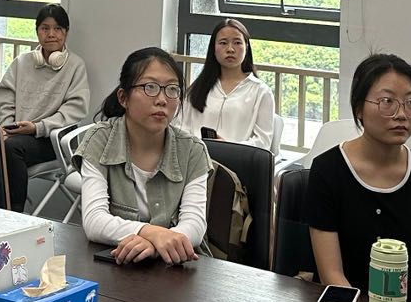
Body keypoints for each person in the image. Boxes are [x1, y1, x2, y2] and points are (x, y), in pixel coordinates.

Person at [306, 53, 411, 302]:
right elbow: (332, 274)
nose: (401, 114)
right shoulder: (327, 171)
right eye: (387, 102)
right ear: (359, 108)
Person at [77, 47, 210, 263]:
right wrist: (151, 233)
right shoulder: (100, 140)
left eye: (172, 89)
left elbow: (195, 225)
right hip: (117, 263)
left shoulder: (193, 150)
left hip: (178, 267)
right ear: (123, 97)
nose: (162, 99)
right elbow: (94, 221)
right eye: (150, 87)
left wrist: (155, 244)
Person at [0, 4, 90, 210]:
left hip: (52, 140)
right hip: (17, 134)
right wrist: (7, 127)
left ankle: (13, 213)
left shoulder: (75, 65)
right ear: (37, 31)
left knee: (10, 148)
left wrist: (38, 127)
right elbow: (5, 98)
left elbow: (75, 108)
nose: (51, 34)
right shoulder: (22, 62)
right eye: (45, 28)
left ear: (66, 32)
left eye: (57, 29)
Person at [175, 17, 274, 149]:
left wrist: (228, 147)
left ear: (246, 47)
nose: (230, 49)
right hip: (195, 156)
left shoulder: (261, 91)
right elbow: (180, 128)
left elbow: (263, 142)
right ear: (213, 48)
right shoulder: (198, 88)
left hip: (237, 159)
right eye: (223, 43)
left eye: (237, 42)